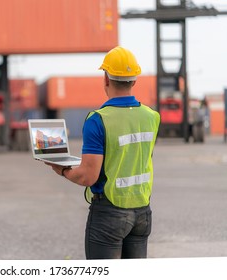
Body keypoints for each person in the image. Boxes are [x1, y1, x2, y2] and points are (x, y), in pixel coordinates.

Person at [46, 46, 160, 259]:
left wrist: (62, 170)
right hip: (142, 213)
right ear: (134, 80)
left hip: (109, 213)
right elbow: (130, 158)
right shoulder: (152, 117)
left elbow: (88, 176)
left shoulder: (98, 119)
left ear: (106, 79)